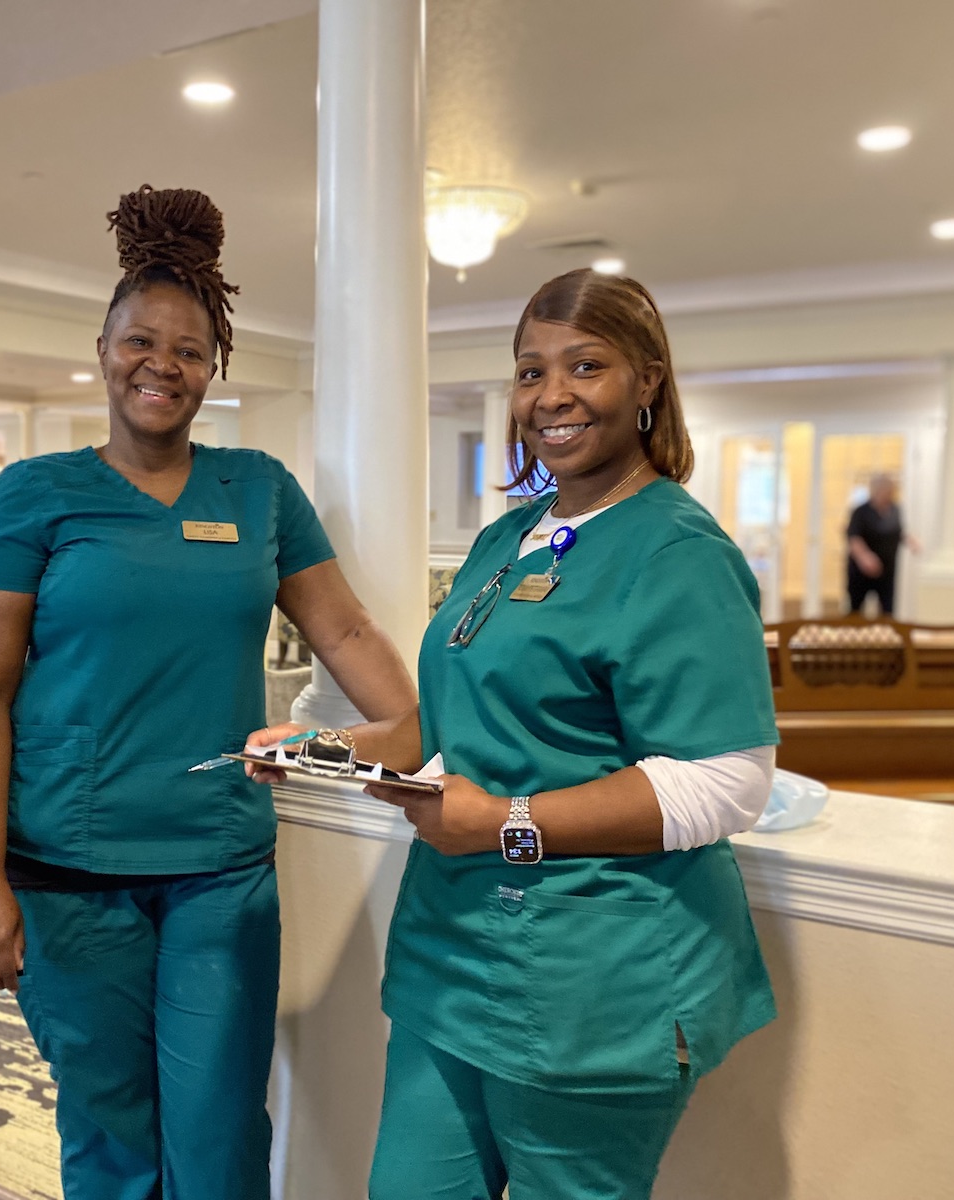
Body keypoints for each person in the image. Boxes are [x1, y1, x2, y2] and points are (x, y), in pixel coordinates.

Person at [249, 268, 779, 1199]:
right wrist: (324, 753)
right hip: (452, 959)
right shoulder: (510, 539)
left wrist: (503, 822)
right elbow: (441, 725)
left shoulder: (679, 556)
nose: (553, 395)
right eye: (531, 372)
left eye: (586, 365)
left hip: (594, 986)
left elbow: (726, 781)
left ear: (648, 380)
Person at [0, 184, 416, 1200]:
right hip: (66, 870)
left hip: (218, 867)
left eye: (191, 349)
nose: (163, 365)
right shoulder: (31, 495)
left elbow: (340, 626)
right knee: (110, 1130)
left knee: (218, 1131)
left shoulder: (258, 488)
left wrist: (407, 726)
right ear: (102, 348)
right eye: (139, 341)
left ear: (215, 368)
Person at [846, 473, 918, 615]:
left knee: (887, 609)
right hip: (862, 570)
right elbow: (854, 538)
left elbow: (898, 531)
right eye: (886, 490)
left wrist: (911, 541)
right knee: (856, 609)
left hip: (887, 569)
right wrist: (865, 558)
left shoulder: (895, 510)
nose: (889, 494)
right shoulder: (861, 511)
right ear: (875, 491)